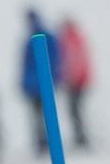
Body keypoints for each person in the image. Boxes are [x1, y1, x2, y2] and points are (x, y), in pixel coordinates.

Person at [19, 8, 54, 156]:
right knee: (37, 116)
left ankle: (46, 143)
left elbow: (52, 60)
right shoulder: (30, 39)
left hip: (42, 84)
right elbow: (25, 65)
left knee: (45, 116)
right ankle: (41, 143)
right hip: (33, 85)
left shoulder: (43, 37)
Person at [57, 17, 94, 150]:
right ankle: (80, 136)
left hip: (76, 81)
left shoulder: (71, 39)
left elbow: (75, 61)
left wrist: (73, 77)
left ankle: (81, 137)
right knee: (75, 110)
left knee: (75, 110)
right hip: (76, 80)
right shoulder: (73, 38)